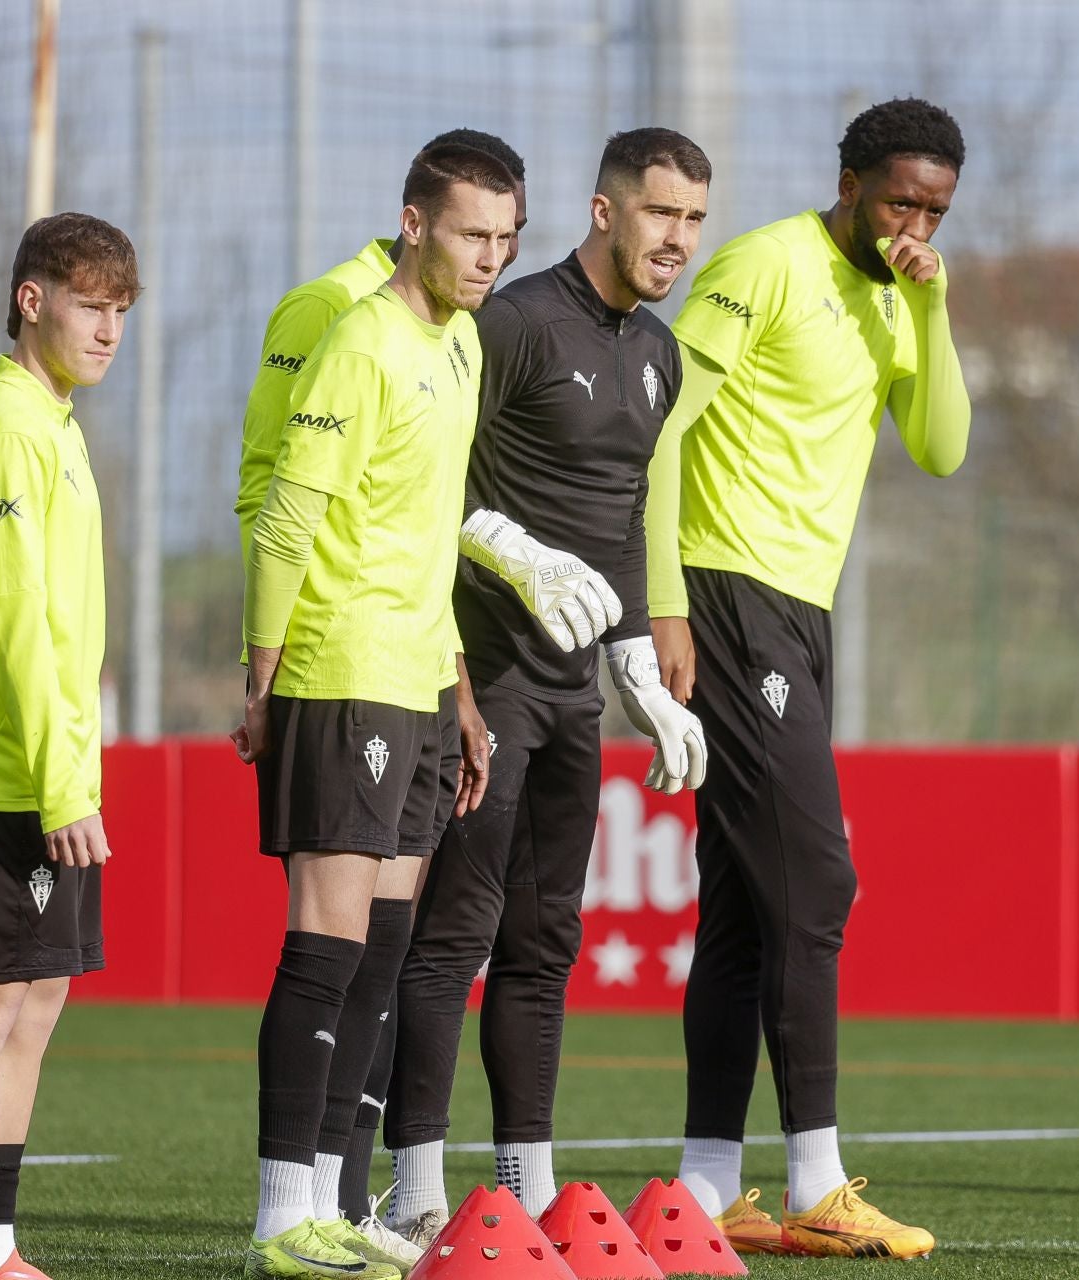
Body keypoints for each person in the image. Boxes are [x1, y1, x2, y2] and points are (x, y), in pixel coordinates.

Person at [643, 97, 971, 1260]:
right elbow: (666, 429)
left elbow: (941, 443)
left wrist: (930, 309)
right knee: (820, 885)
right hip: (728, 593)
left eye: (934, 207)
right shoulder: (761, 264)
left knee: (744, 908)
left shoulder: (901, 300)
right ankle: (820, 1177)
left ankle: (703, 1190)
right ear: (849, 181)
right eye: (898, 200)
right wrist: (666, 602)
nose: (913, 222)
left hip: (803, 614)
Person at [382, 128, 713, 1236]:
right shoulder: (515, 321)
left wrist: (638, 675)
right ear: (606, 210)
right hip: (486, 679)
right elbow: (441, 481)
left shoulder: (661, 355)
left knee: (547, 938)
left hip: (575, 693)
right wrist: (515, 553)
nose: (679, 238)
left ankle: (523, 1185)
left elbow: (620, 523)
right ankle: (419, 1191)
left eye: (695, 219)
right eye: (662, 213)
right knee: (455, 932)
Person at [232, 130, 527, 1258]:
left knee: (387, 949)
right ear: (415, 223)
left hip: (414, 677)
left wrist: (458, 688)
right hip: (339, 670)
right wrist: (260, 671)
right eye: (471, 233)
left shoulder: (459, 347)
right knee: (326, 944)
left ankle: (334, 1206)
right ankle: (279, 1214)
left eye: (506, 238)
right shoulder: (358, 336)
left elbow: (424, 534)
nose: (489, 257)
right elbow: (289, 511)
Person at [0, 212, 141, 1280]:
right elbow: (12, 625)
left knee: (36, 1001)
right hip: (7, 772)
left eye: (122, 312)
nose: (108, 330)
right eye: (90, 305)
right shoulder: (2, 428)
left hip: (47, 769)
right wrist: (61, 786)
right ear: (31, 299)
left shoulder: (53, 425)